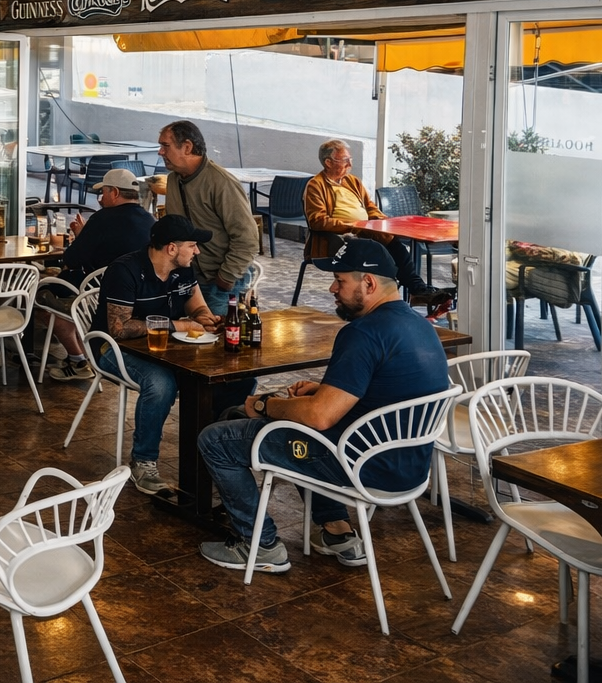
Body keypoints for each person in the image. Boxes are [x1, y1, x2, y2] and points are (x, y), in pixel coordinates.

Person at [196, 238, 450, 575]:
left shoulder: (364, 333)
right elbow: (388, 385)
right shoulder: (420, 325)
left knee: (217, 439)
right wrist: (324, 390)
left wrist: (266, 405)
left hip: (359, 465)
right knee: (301, 424)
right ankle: (336, 533)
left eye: (340, 281)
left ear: (369, 283)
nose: (332, 288)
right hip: (409, 466)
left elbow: (319, 416)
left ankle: (259, 545)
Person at [89, 215, 249, 494]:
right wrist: (176, 324)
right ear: (171, 248)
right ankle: (143, 461)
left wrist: (206, 319)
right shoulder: (125, 270)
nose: (197, 251)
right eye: (192, 245)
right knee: (161, 383)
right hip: (111, 348)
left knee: (237, 377)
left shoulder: (183, 269)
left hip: (168, 350)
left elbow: (198, 309)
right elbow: (117, 329)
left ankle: (211, 448)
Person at [303, 138, 449, 308]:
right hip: (339, 239)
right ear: (328, 162)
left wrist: (380, 222)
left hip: (363, 232)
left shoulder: (353, 181)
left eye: (350, 159)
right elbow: (318, 221)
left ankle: (416, 291)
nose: (350, 164)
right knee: (384, 253)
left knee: (392, 243)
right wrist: (354, 226)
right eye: (344, 160)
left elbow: (370, 208)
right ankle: (408, 294)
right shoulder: (315, 185)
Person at [43, 168, 158, 382]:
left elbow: (71, 260)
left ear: (114, 192)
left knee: (43, 293)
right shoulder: (150, 220)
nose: (100, 199)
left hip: (100, 294)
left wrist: (80, 236)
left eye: (103, 193)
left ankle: (78, 359)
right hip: (139, 298)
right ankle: (81, 352)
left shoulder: (102, 218)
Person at [158, 120, 259, 315]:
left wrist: (227, 276)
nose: (160, 152)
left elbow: (248, 239)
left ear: (187, 147)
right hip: (188, 278)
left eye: (165, 146)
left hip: (220, 283)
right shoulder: (173, 179)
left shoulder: (221, 182)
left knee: (220, 340)